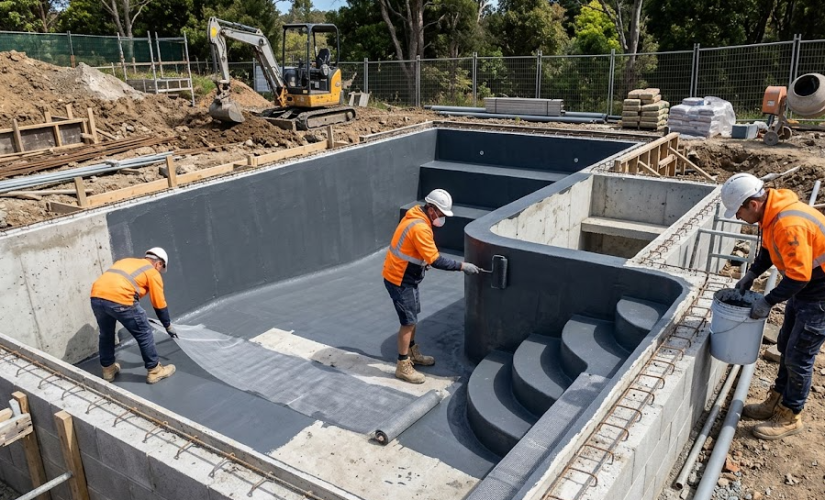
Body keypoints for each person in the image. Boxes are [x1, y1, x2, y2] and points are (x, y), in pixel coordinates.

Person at [721, 173, 825, 440]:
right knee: (785, 346)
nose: (738, 217)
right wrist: (752, 273)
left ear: (753, 204)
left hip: (819, 294)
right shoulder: (771, 216)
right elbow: (768, 251)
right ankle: (776, 401)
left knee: (798, 356)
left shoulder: (788, 223)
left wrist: (768, 301)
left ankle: (790, 415)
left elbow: (799, 277)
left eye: (738, 211)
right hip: (808, 288)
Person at [382, 189, 480, 384]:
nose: (442, 217)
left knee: (412, 319)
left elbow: (412, 248)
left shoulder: (417, 217)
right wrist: (462, 266)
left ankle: (411, 352)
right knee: (408, 322)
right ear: (432, 209)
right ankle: (402, 365)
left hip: (406, 276)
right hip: (400, 279)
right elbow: (436, 260)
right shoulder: (420, 227)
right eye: (441, 213)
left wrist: (421, 261)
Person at [90, 247, 178, 384]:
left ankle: (108, 370)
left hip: (96, 297)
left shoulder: (126, 261)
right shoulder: (152, 272)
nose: (160, 271)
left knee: (106, 334)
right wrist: (167, 325)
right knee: (144, 333)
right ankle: (155, 371)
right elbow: (159, 303)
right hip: (121, 299)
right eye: (161, 268)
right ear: (158, 263)